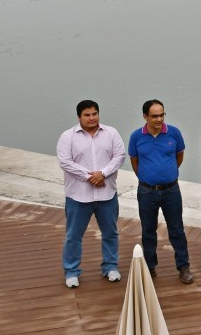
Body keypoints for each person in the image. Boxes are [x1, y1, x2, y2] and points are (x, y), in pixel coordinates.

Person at [57, 99, 126, 289]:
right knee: (73, 235)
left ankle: (110, 266)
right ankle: (71, 271)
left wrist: (102, 174)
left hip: (107, 194)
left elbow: (119, 156)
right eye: (87, 115)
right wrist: (90, 177)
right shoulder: (67, 137)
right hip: (78, 196)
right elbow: (65, 162)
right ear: (79, 116)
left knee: (110, 232)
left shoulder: (111, 133)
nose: (92, 118)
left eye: (95, 114)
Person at [128, 99, 194, 284]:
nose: (159, 119)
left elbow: (179, 156)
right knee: (148, 230)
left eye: (162, 115)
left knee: (177, 229)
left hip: (171, 190)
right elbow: (135, 161)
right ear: (145, 117)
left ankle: (183, 267)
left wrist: (168, 174)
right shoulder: (136, 137)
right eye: (155, 116)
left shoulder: (174, 133)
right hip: (146, 191)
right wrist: (146, 177)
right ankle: (150, 267)